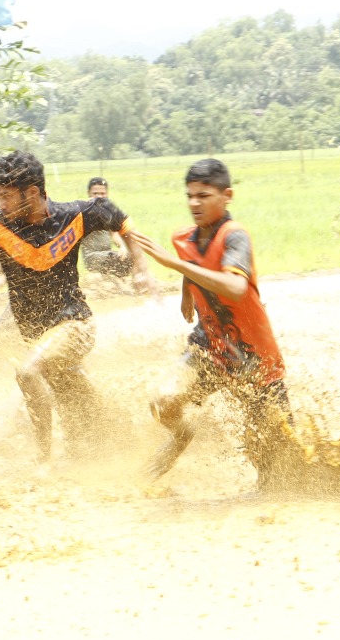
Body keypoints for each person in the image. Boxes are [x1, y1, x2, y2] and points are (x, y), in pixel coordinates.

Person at [0, 151, 151, 462]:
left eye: (6, 196)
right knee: (74, 398)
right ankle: (117, 439)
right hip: (34, 334)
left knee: (28, 372)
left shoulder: (75, 215)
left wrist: (142, 269)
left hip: (76, 324)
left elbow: (118, 218)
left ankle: (43, 459)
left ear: (32, 192)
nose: (1, 204)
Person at [125, 159, 292, 487]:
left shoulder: (235, 236)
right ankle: (181, 436)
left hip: (253, 358)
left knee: (274, 461)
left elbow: (235, 286)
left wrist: (174, 266)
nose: (194, 203)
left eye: (203, 195)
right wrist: (188, 291)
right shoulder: (184, 238)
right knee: (162, 401)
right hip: (209, 347)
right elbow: (196, 262)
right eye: (190, 196)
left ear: (226, 195)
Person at [78, 177, 133, 278]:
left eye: (102, 194)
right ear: (89, 193)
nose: (99, 197)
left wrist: (122, 247)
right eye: (95, 194)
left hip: (107, 254)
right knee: (115, 259)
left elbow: (114, 234)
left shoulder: (108, 212)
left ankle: (117, 281)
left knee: (129, 257)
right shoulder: (83, 211)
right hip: (92, 257)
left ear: (107, 194)